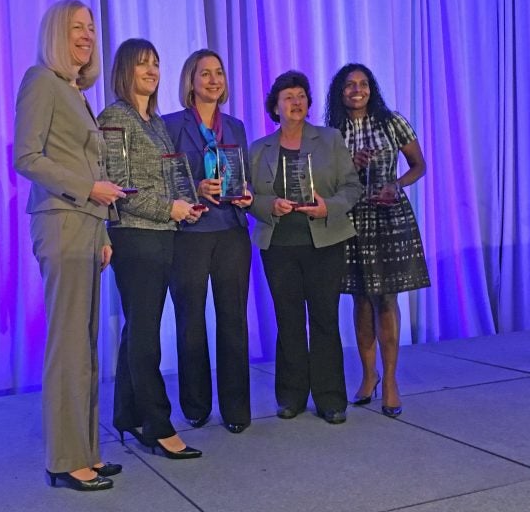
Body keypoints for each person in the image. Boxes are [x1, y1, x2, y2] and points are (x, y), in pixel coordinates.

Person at [13, 0, 125, 491]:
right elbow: (26, 157)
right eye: (77, 27)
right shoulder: (41, 81)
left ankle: (87, 452)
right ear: (57, 33)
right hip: (60, 222)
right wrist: (88, 193)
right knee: (67, 345)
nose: (87, 35)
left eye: (91, 28)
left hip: (86, 226)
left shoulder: (75, 91)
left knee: (86, 344)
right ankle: (64, 459)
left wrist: (101, 229)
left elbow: (92, 168)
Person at [100, 38, 204, 459]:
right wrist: (170, 208)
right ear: (125, 69)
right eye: (143, 64)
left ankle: (128, 416)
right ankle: (159, 425)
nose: (152, 71)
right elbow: (119, 190)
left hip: (162, 233)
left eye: (157, 64)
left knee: (138, 330)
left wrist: (187, 204)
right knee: (146, 335)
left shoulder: (155, 121)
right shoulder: (114, 118)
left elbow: (170, 177)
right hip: (136, 237)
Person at [248, 70, 362, 424]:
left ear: (308, 103)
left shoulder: (329, 140)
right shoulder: (259, 149)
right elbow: (250, 198)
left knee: (325, 320)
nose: (296, 102)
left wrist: (328, 205)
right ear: (275, 107)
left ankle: (330, 399)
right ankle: (291, 396)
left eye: (301, 96)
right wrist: (270, 206)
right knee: (289, 321)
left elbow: (352, 188)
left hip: (325, 242)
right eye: (288, 97)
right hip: (279, 245)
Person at [325, 63, 430, 418]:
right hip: (351, 218)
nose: (358, 89)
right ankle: (368, 376)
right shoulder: (332, 131)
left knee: (386, 298)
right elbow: (325, 181)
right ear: (340, 91)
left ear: (372, 88)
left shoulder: (392, 121)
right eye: (350, 85)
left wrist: (395, 186)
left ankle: (391, 382)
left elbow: (418, 165)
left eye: (364, 83)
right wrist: (349, 165)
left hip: (388, 215)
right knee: (359, 299)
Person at [162, 49, 253, 434]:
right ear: (190, 81)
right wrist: (195, 187)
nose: (213, 80)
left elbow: (242, 174)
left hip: (231, 230)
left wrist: (245, 195)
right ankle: (196, 406)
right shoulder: (169, 125)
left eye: (218, 73)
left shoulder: (235, 126)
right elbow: (165, 181)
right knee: (190, 321)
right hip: (190, 235)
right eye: (205, 74)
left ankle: (235, 409)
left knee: (233, 320)